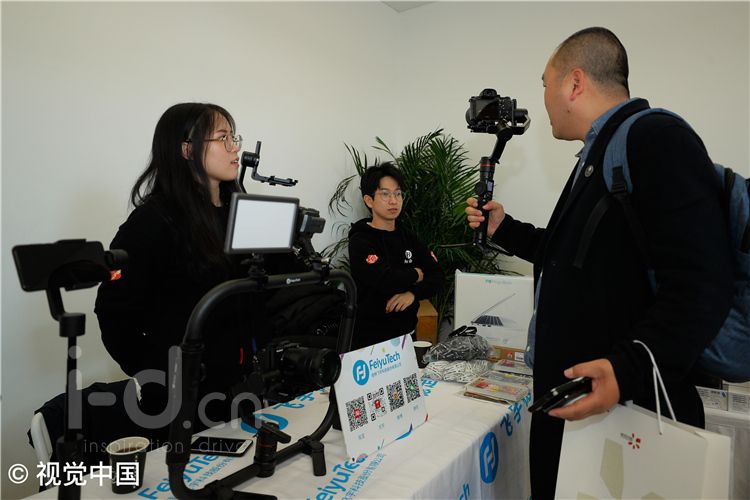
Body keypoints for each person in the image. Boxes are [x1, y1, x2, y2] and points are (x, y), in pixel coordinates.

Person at [465, 27, 733, 498]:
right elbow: (572, 259)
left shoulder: (656, 137)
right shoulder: (599, 154)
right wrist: (504, 230)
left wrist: (626, 368)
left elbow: (703, 282)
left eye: (544, 83)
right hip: (579, 408)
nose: (543, 97)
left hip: (627, 414)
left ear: (574, 82)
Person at [95, 103, 290, 443]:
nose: (234, 147)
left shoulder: (239, 213)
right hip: (184, 402)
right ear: (187, 149)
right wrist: (164, 375)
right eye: (222, 138)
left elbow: (267, 289)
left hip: (245, 389)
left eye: (234, 137)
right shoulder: (153, 222)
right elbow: (113, 313)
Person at [348, 162, 444, 349]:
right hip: (370, 340)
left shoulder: (409, 237)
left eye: (398, 194)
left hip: (406, 336)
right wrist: (416, 274)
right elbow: (384, 279)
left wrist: (412, 294)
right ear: (369, 200)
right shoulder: (361, 240)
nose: (394, 201)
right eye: (385, 194)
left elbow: (437, 277)